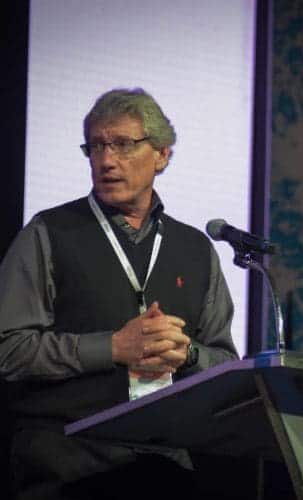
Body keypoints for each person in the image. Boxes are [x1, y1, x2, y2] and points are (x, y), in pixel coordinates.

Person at [0, 88, 239, 499]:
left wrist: (188, 355)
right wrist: (112, 347)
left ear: (162, 155)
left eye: (124, 145)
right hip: (67, 464)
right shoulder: (47, 233)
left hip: (165, 465)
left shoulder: (197, 250)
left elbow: (227, 364)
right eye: (96, 146)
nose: (106, 160)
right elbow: (9, 349)